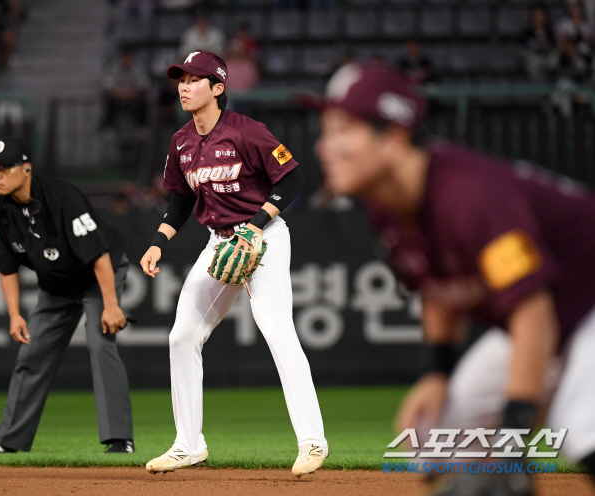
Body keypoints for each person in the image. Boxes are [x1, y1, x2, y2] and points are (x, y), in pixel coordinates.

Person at [312, 64, 595, 493]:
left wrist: (513, 438)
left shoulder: (467, 197)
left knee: (579, 426)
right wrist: (437, 373)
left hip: (579, 305)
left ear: (393, 141)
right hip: (556, 313)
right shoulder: (386, 205)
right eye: (325, 131)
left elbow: (532, 314)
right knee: (433, 440)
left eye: (342, 131)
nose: (323, 148)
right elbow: (436, 284)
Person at [139, 51, 328, 477]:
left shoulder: (247, 131)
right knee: (181, 336)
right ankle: (188, 444)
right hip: (219, 244)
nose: (184, 86)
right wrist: (158, 242)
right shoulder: (182, 141)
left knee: (278, 331)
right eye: (180, 79)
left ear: (218, 88)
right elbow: (182, 198)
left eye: (194, 79)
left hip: (263, 240)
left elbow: (292, 177)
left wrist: (258, 225)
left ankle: (313, 441)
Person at [0, 137, 135, 455]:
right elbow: (6, 267)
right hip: (56, 285)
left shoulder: (62, 197)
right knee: (32, 354)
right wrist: (14, 314)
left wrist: (110, 305)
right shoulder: (0, 211)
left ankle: (120, 439)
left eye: (4, 168)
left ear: (26, 169)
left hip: (97, 273)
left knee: (100, 341)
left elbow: (98, 255)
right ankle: (7, 440)